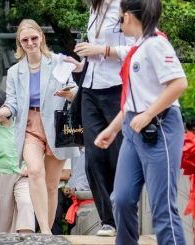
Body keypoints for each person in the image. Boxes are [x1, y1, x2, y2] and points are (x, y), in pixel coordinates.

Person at [93, 0, 188, 244]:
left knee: (162, 208)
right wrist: (112, 129)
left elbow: (179, 83)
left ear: (128, 17)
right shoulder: (138, 47)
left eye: (119, 17)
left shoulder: (157, 44)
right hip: (133, 128)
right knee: (121, 198)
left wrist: (148, 114)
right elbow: (132, 102)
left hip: (160, 127)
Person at [0, 19, 80, 234]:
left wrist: (72, 94)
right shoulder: (15, 71)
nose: (30, 43)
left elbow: (74, 90)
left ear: (41, 38)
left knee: (51, 183)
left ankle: (47, 232)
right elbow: (12, 104)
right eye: (25, 39)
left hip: (57, 125)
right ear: (19, 42)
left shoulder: (58, 61)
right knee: (35, 171)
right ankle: (45, 230)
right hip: (29, 125)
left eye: (34, 38)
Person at [64, 0, 133, 236]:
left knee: (117, 154)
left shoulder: (126, 6)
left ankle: (124, 214)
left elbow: (135, 50)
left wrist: (102, 50)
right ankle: (108, 220)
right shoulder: (93, 9)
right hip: (90, 88)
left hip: (116, 87)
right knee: (93, 157)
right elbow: (94, 57)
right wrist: (80, 66)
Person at [0, 89, 35, 234]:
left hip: (22, 175)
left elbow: (36, 147)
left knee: (26, 203)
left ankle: (26, 240)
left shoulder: (22, 125)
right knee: (3, 223)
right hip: (1, 177)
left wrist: (30, 165)